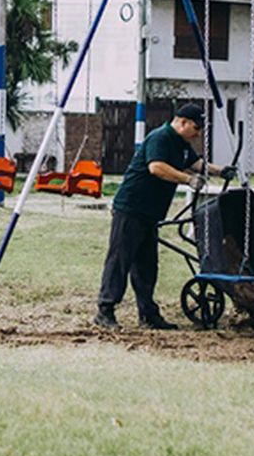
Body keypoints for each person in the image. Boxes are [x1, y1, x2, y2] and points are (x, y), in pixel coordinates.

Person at [96, 102, 233, 330]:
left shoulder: (181, 143)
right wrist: (188, 179)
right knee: (120, 261)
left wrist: (220, 171)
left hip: (150, 213)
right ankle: (105, 311)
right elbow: (156, 167)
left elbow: (196, 163)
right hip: (131, 208)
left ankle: (148, 314)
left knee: (147, 266)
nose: (198, 133)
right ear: (182, 122)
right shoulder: (160, 137)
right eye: (196, 128)